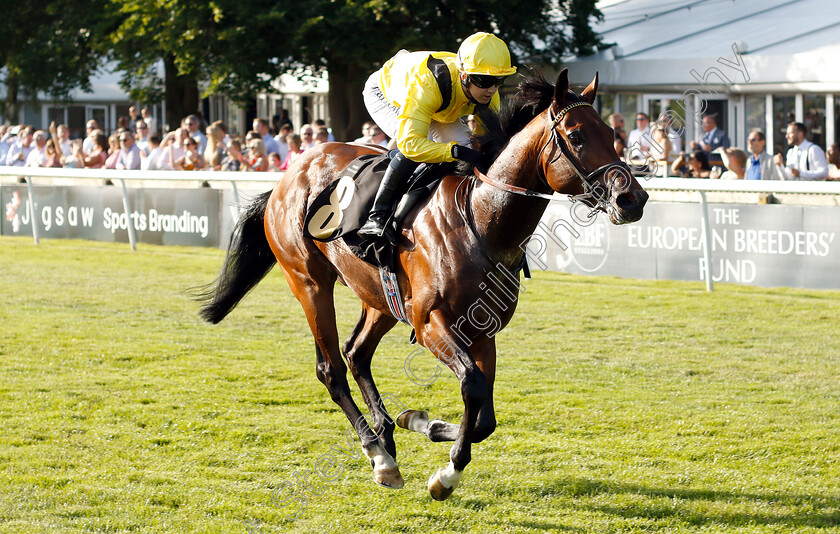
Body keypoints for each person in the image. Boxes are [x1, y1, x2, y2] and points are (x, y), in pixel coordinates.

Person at [357, 31, 517, 239]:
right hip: (386, 94)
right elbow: (411, 145)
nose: (492, 89)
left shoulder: (489, 94)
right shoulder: (428, 85)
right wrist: (453, 151)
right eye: (484, 81)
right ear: (464, 75)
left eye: (499, 81)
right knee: (421, 150)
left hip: (435, 105)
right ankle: (377, 217)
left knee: (464, 148)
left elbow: (485, 143)